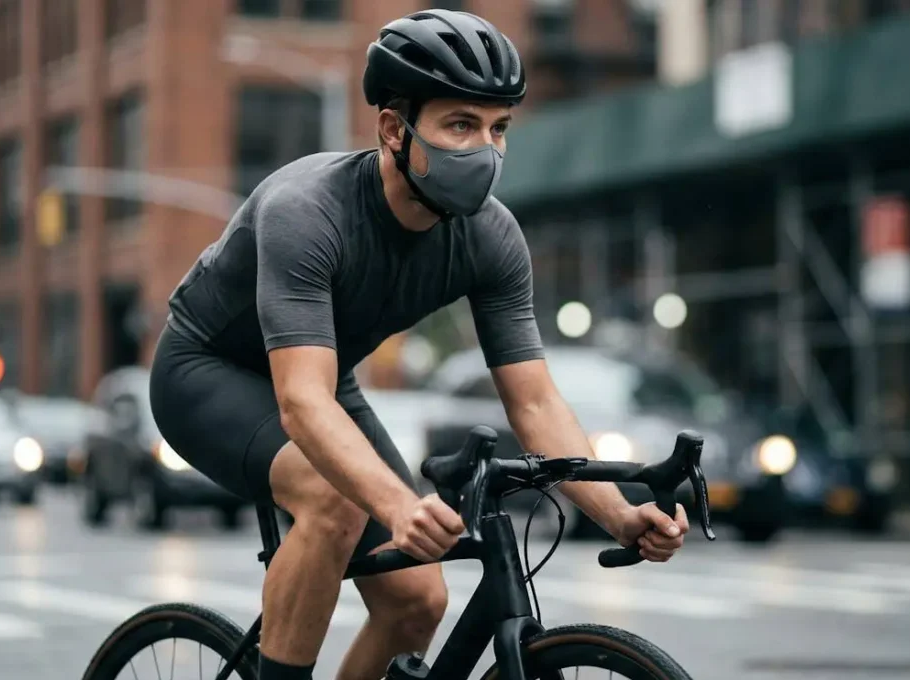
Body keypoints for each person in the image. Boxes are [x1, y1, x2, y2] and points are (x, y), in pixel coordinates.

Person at [148, 9, 690, 680]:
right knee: (335, 502)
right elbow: (302, 401)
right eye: (461, 125)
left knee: (416, 603)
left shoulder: (491, 238)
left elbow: (535, 404)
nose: (485, 150)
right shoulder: (306, 211)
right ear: (393, 130)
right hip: (206, 374)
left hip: (328, 382)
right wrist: (399, 505)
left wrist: (619, 516)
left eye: (498, 128)